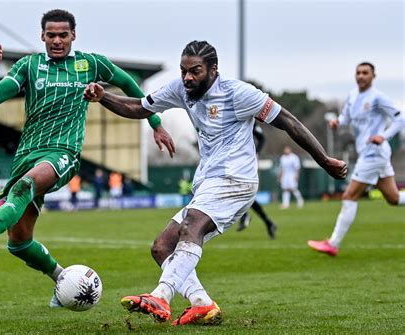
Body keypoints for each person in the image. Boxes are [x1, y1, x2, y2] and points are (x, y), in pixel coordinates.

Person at [84, 40, 347, 325]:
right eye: (184, 70)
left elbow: (288, 121)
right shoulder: (181, 89)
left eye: (195, 71)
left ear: (213, 70)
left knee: (192, 224)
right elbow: (139, 108)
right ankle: (202, 303)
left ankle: (161, 294)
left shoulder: (238, 93)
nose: (187, 77)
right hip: (209, 181)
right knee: (162, 247)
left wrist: (324, 160)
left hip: (237, 179)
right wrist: (104, 97)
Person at [0, 9, 175, 307]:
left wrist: (156, 124)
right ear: (42, 36)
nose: (57, 40)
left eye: (63, 35)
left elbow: (130, 84)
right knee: (19, 243)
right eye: (51, 35)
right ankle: (63, 280)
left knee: (25, 185)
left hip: (63, 153)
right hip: (26, 154)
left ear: (73, 36)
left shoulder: (90, 64)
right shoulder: (30, 66)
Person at [308, 62, 405, 257]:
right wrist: (338, 122)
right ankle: (332, 243)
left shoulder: (377, 98)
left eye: (365, 73)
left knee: (349, 195)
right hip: (370, 154)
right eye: (358, 73)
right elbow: (346, 117)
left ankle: (333, 243)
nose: (361, 76)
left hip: (373, 153)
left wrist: (383, 136)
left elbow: (400, 118)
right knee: (393, 198)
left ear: (373, 76)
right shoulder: (353, 96)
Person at [237, 122, 277, 239]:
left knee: (242, 191)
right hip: (233, 161)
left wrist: (255, 153)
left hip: (246, 163)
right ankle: (268, 223)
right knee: (244, 194)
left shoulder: (249, 120)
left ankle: (245, 216)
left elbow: (262, 138)